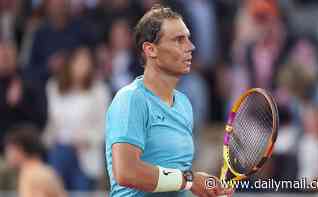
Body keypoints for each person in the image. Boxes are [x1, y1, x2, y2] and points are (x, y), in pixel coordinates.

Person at [105, 5, 233, 197]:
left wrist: (204, 189)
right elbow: (126, 172)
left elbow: (176, 182)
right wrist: (190, 180)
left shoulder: (184, 104)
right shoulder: (131, 99)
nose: (191, 47)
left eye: (188, 38)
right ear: (151, 50)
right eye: (178, 40)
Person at [44, 46, 110, 191]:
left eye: (87, 63)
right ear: (70, 63)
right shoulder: (53, 87)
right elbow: (52, 123)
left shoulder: (99, 90)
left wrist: (87, 139)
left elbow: (105, 126)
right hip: (59, 150)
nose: (83, 67)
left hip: (85, 152)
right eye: (79, 62)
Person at [4, 125, 67, 197]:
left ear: (19, 149)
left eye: (9, 150)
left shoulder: (32, 175)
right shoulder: (44, 171)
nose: (7, 155)